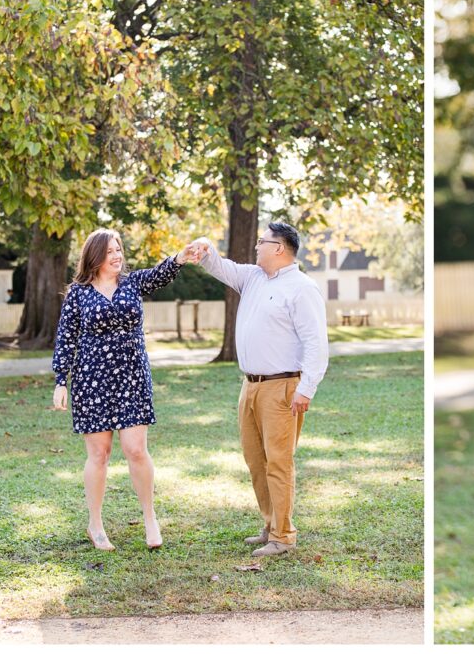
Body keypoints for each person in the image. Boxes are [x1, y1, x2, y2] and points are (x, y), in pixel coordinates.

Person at [51, 229, 205, 551]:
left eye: (119, 249)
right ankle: (95, 524)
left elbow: (160, 274)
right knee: (99, 454)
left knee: (136, 449)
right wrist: (60, 382)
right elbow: (66, 337)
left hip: (132, 378)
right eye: (109, 251)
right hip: (92, 380)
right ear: (94, 257)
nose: (117, 256)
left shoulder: (132, 283)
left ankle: (150, 517)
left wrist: (180, 257)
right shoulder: (78, 294)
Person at [189, 221, 329, 558]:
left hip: (282, 387)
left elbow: (316, 343)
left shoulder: (302, 288)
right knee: (255, 460)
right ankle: (269, 524)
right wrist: (205, 245)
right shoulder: (252, 277)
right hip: (249, 386)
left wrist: (306, 388)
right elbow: (219, 266)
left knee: (278, 463)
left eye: (262, 242)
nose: (256, 247)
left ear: (279, 247)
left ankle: (283, 536)